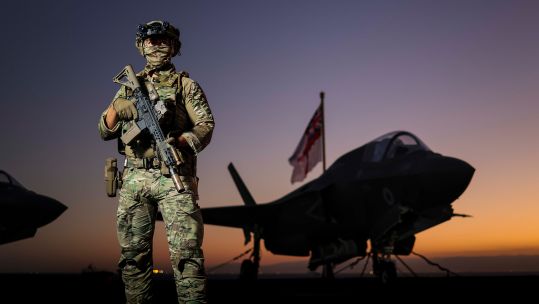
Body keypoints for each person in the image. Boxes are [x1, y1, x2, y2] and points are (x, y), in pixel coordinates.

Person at [98, 20, 214, 303]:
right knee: (132, 260)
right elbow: (103, 130)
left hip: (173, 176)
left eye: (164, 40)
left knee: (188, 258)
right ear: (141, 46)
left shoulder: (185, 86)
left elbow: (205, 126)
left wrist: (181, 142)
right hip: (135, 179)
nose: (157, 45)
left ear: (174, 46)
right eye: (151, 41)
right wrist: (115, 109)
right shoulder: (128, 86)